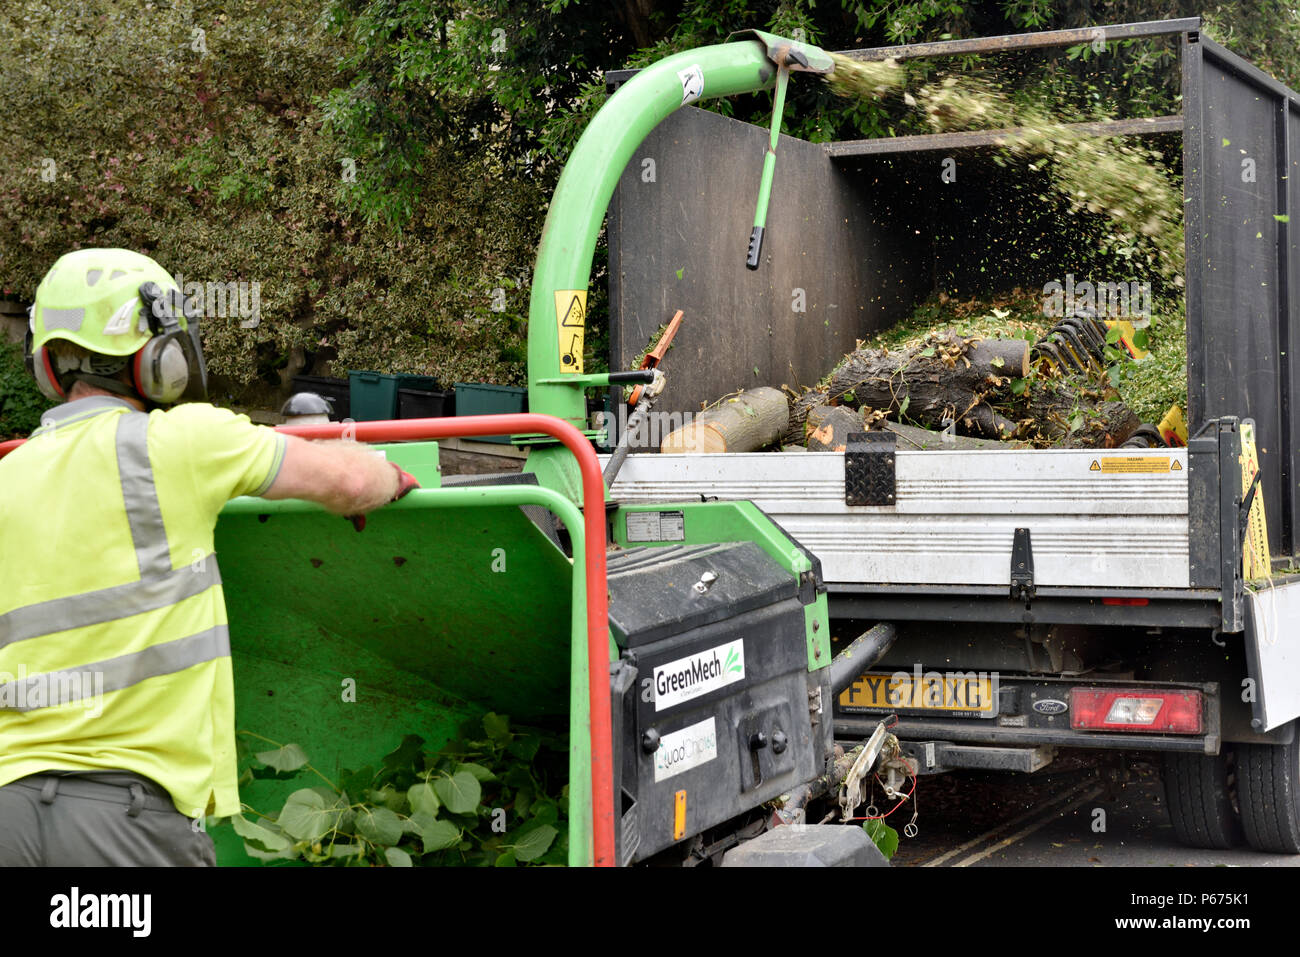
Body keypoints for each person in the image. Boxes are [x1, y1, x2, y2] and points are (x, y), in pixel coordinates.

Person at [0, 248, 417, 866]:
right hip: (126, 819)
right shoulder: (182, 443)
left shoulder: (10, 474)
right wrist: (392, 480)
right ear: (161, 357)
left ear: (47, 364)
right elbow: (349, 481)